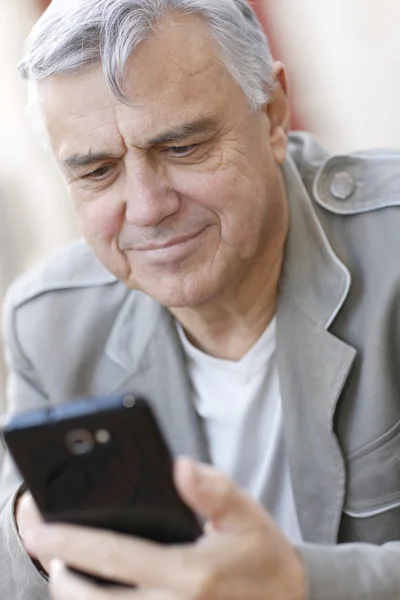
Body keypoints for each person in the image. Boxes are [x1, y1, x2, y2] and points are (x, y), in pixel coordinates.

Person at [1, 0, 400, 598]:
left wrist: (300, 583)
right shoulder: (49, 321)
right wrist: (31, 528)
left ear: (272, 116)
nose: (147, 208)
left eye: (182, 148)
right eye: (97, 172)